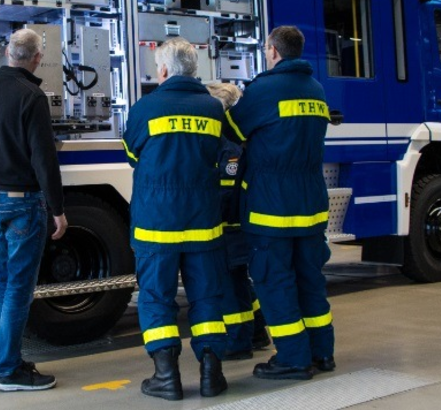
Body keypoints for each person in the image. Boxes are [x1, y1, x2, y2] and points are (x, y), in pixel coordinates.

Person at [122, 37, 228, 401]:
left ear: (163, 70)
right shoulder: (215, 109)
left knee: (156, 296)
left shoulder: (144, 108)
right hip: (203, 219)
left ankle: (166, 377)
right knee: (207, 294)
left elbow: (133, 156)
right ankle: (212, 374)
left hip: (156, 222)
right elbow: (223, 155)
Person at [227, 25, 333, 380]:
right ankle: (322, 353)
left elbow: (232, 131)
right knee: (310, 280)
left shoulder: (263, 90)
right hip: (311, 205)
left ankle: (292, 358)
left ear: (272, 50)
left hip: (272, 210)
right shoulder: (316, 90)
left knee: (275, 282)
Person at [0, 27, 68, 392]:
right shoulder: (32, 95)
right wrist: (58, 209)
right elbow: (44, 159)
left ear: (8, 53)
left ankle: (7, 361)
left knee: (5, 284)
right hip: (24, 202)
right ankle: (9, 370)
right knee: (18, 290)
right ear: (36, 58)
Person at [206, 83, 270, 361]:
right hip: (238, 226)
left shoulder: (228, 144)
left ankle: (237, 341)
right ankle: (256, 330)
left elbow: (226, 190)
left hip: (229, 228)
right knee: (240, 282)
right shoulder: (236, 139)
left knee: (229, 285)